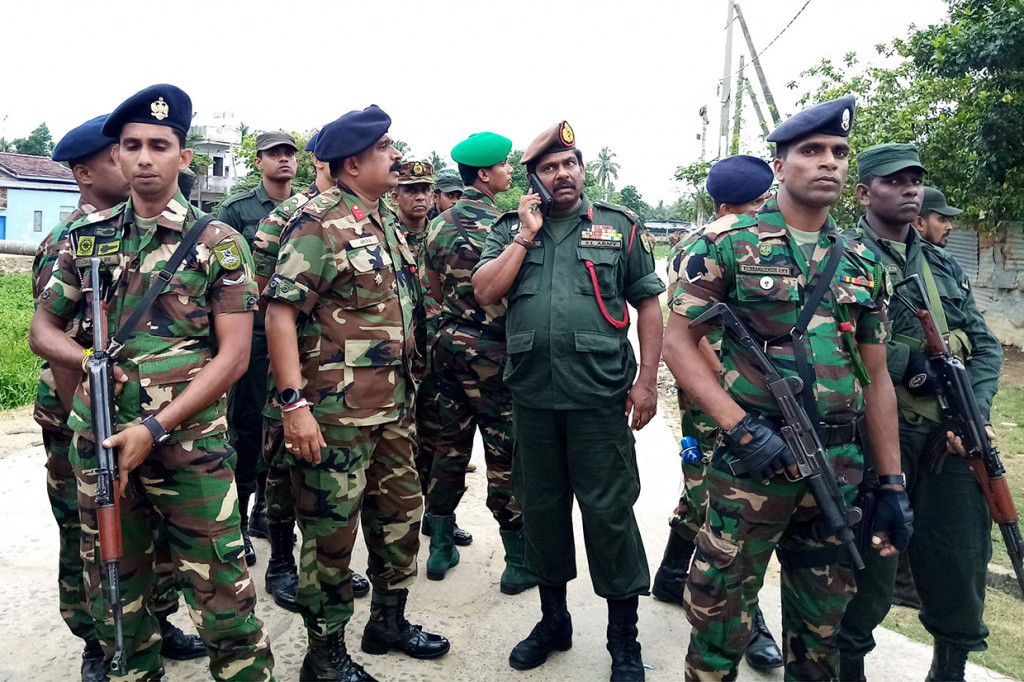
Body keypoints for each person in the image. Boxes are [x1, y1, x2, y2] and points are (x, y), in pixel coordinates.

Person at [662, 97, 913, 680]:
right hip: (752, 466)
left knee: (821, 634)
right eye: (812, 151)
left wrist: (893, 481)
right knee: (720, 623)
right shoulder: (724, 241)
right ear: (779, 165)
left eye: (839, 153)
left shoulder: (860, 259)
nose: (829, 162)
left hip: (839, 466)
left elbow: (875, 376)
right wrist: (739, 426)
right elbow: (678, 344)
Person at [29, 83, 273, 679]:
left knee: (224, 601)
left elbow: (234, 357)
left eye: (159, 145)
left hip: (189, 450)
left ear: (182, 157)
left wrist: (155, 426)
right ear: (115, 157)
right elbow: (43, 327)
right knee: (118, 599)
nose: (143, 158)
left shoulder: (219, 245)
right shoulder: (87, 239)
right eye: (131, 145)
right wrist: (89, 361)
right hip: (105, 446)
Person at [473, 121, 664, 681]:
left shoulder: (619, 227)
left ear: (583, 169)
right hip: (532, 398)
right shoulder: (511, 228)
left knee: (609, 515)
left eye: (571, 163)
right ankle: (554, 622)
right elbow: (486, 291)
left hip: (599, 396)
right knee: (542, 512)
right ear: (534, 178)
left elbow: (649, 305)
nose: (564, 174)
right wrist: (524, 235)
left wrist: (648, 381)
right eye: (551, 167)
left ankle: (622, 641)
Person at [264, 105, 450, 681]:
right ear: (353, 161)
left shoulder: (383, 220)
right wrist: (294, 405)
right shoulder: (319, 221)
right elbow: (280, 314)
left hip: (393, 408)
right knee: (330, 538)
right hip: (334, 415)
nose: (396, 157)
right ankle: (325, 658)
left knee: (400, 521)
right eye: (385, 149)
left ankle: (389, 622)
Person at [37, 114, 205, 681]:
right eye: (121, 152)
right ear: (87, 172)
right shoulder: (72, 243)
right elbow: (56, 343)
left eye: (154, 146)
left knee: (142, 536)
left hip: (147, 421)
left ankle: (148, 623)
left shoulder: (191, 237)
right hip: (78, 417)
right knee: (87, 535)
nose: (135, 161)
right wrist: (84, 417)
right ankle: (96, 635)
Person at [837, 144, 1002, 682]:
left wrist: (971, 413)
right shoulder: (841, 257)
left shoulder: (941, 264)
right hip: (873, 433)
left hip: (949, 434)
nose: (909, 188)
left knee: (959, 554)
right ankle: (851, 662)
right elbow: (829, 336)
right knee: (871, 561)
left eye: (915, 180)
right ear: (864, 193)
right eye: (894, 180)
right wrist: (907, 361)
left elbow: (985, 344)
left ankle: (948, 667)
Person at [651, 154, 783, 671]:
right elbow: (689, 333)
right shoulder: (717, 244)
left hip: (722, 393)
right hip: (724, 396)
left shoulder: (712, 238)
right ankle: (744, 617)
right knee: (731, 501)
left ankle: (669, 573)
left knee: (704, 485)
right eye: (762, 202)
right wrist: (726, 394)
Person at [250, 131, 371, 612]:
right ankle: (281, 563)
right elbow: (263, 297)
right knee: (281, 469)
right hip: (292, 369)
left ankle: (322, 562)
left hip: (340, 380)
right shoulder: (285, 219)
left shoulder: (361, 217)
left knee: (330, 482)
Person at [420, 131, 534, 594]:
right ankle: (516, 560)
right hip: (494, 351)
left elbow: (431, 287)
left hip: (448, 346)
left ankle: (439, 547)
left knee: (449, 446)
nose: (510, 172)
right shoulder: (507, 226)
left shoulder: (437, 223)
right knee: (504, 453)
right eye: (505, 166)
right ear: (485, 174)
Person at [217, 130, 298, 564]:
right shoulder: (237, 209)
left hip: (291, 336)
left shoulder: (306, 208)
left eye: (289, 153)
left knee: (280, 427)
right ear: (260, 161)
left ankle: (266, 510)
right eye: (274, 154)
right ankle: (239, 517)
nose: (284, 160)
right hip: (253, 336)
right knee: (246, 427)